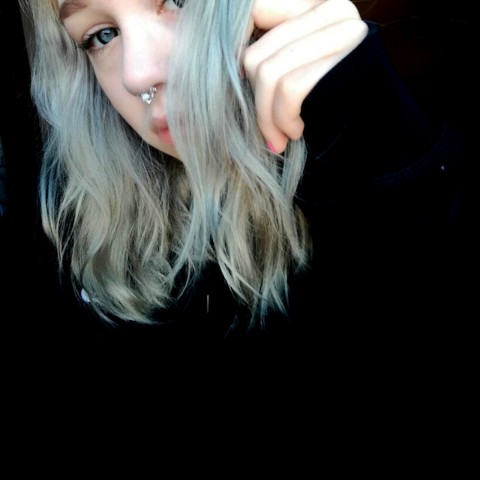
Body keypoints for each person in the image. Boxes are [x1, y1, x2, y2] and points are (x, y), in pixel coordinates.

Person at [12, 0, 474, 359]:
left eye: (178, 1)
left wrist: (383, 146)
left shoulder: (396, 157)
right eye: (102, 35)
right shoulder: (78, 230)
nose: (137, 75)